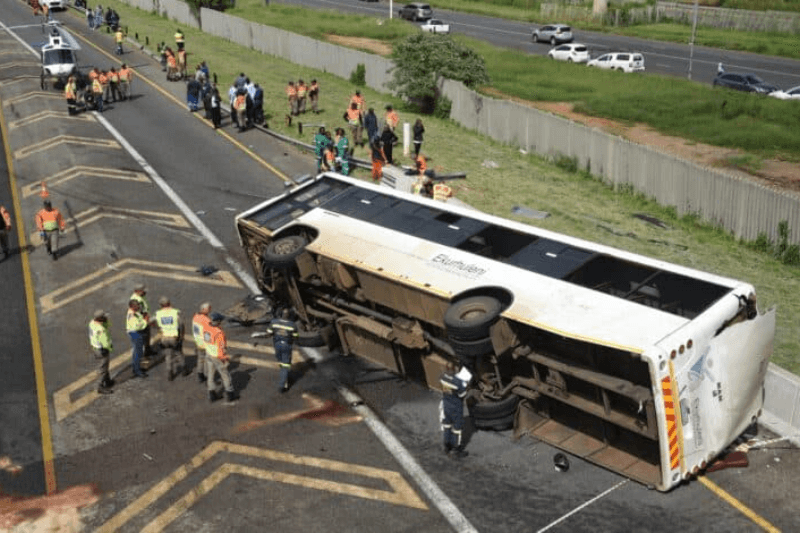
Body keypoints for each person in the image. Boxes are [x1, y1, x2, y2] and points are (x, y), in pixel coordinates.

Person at [440, 365, 472, 458]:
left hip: (446, 404)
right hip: (456, 407)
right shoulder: (458, 381)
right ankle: (455, 449)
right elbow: (462, 394)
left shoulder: (443, 377)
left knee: (447, 425)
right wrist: (466, 386)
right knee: (457, 429)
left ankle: (446, 445)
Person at [205, 313, 236, 404]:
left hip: (209, 353)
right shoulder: (219, 333)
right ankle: (230, 394)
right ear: (218, 322)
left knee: (211, 374)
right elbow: (221, 348)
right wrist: (224, 359)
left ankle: (212, 394)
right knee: (225, 375)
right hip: (217, 356)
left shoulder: (206, 328)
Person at [267, 308, 298, 393]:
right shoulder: (292, 325)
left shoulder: (274, 322)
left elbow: (268, 333)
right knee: (285, 366)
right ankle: (282, 386)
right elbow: (295, 337)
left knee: (281, 362)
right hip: (286, 346)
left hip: (277, 345)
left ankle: (284, 378)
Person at [155, 297, 185, 381]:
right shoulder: (175, 313)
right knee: (179, 353)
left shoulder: (158, 314)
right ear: (169, 303)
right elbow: (181, 324)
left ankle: (170, 373)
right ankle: (183, 370)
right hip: (174, 337)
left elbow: (156, 324)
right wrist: (181, 336)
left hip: (164, 338)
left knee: (168, 355)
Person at [89, 309, 114, 394]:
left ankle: (108, 381)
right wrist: (110, 347)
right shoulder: (101, 329)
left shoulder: (92, 322)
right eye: (104, 317)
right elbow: (105, 342)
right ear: (100, 319)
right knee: (103, 368)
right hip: (102, 350)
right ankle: (100, 386)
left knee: (104, 366)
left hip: (95, 347)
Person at [126, 299, 148, 378]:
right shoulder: (132, 316)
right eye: (137, 306)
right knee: (138, 352)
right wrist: (145, 321)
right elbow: (137, 326)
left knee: (138, 351)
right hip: (135, 333)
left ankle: (137, 367)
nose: (138, 307)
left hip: (134, 332)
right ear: (132, 307)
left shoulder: (134, 312)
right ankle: (137, 370)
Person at [130, 283, 153, 358]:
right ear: (137, 291)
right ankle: (142, 356)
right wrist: (146, 319)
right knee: (142, 339)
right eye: (143, 291)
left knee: (147, 336)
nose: (145, 292)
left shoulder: (141, 296)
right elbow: (139, 312)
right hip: (142, 322)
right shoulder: (135, 300)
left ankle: (148, 350)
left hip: (145, 319)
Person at [192, 302, 212, 383]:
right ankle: (207, 377)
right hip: (204, 343)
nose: (210, 310)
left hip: (198, 341)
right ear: (204, 309)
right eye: (208, 308)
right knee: (207, 361)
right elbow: (207, 333)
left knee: (200, 359)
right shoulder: (207, 320)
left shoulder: (195, 316)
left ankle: (200, 374)